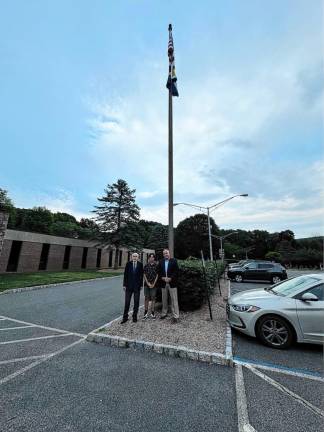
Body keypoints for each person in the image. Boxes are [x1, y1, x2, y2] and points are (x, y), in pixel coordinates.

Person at [158, 248, 180, 323]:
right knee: (164, 299)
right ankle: (164, 313)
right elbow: (159, 271)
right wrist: (162, 277)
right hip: (163, 283)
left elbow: (176, 271)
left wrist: (170, 278)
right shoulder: (161, 261)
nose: (165, 254)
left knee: (174, 300)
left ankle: (176, 316)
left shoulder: (174, 260)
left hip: (172, 283)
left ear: (169, 253)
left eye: (166, 253)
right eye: (164, 253)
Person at [121, 252, 143, 324]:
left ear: (138, 257)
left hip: (137, 287)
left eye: (136, 256)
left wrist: (141, 285)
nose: (135, 257)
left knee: (136, 302)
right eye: (133, 256)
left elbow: (141, 276)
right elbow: (125, 275)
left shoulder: (140, 264)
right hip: (128, 287)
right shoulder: (128, 264)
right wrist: (124, 285)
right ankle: (125, 317)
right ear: (131, 257)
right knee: (127, 302)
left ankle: (134, 317)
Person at [143, 253, 158, 320]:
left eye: (153, 257)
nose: (151, 258)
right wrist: (148, 283)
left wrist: (154, 283)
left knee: (153, 298)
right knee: (146, 298)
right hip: (146, 284)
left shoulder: (156, 265)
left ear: (154, 258)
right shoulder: (146, 265)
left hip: (154, 285)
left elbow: (157, 275)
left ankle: (152, 312)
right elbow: (144, 275)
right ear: (149, 258)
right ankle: (145, 312)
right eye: (150, 257)